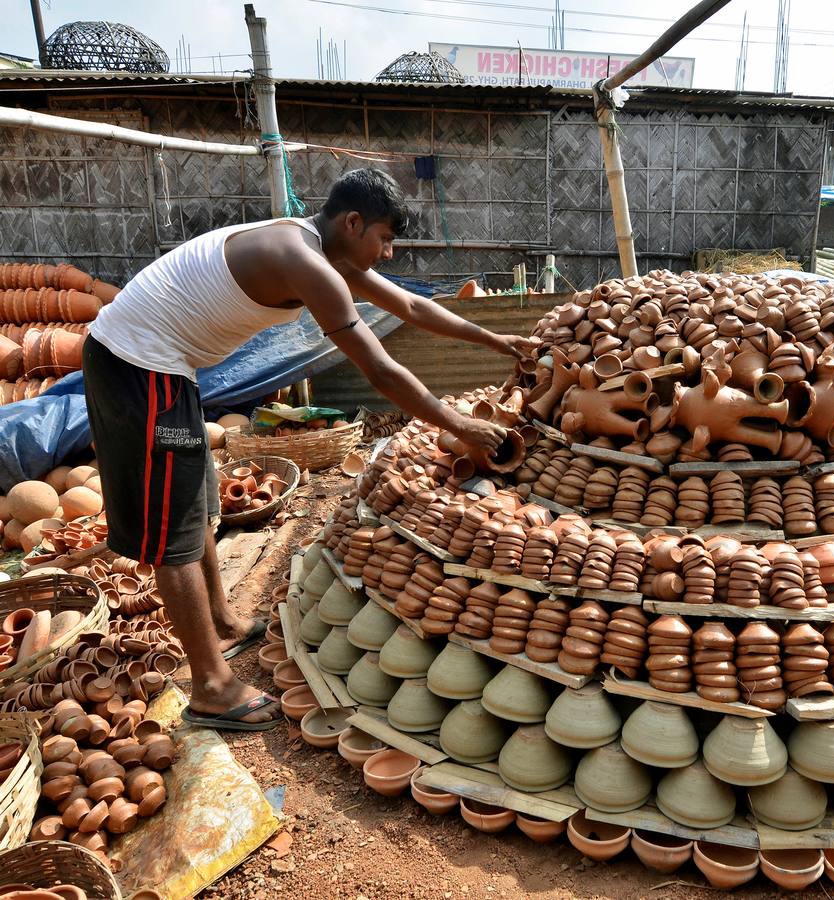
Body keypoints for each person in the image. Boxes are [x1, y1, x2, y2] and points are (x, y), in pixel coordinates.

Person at [82, 169, 533, 731]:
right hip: (136, 362)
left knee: (195, 503)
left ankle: (221, 622)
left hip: (171, 366)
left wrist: (498, 339)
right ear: (352, 223)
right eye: (385, 238)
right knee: (173, 529)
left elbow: (414, 310)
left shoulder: (324, 251)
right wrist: (459, 424)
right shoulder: (303, 261)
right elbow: (380, 369)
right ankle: (211, 687)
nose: (388, 253)